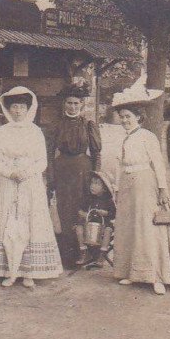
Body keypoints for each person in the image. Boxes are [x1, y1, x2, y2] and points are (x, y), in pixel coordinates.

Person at [0, 86, 63, 288]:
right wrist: (10, 173)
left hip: (30, 183)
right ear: (8, 109)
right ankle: (10, 271)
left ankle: (29, 272)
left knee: (30, 225)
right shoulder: (1, 132)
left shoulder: (36, 132)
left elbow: (42, 161)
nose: (17, 111)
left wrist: (25, 173)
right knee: (8, 224)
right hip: (7, 183)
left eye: (21, 107)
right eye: (14, 107)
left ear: (28, 109)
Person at [112, 89, 170, 295]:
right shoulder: (124, 138)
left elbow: (158, 164)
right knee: (129, 227)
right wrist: (116, 187)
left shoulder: (147, 136)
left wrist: (162, 188)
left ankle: (156, 277)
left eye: (128, 117)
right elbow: (120, 165)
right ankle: (132, 273)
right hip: (127, 184)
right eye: (122, 117)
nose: (124, 120)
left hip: (144, 183)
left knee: (146, 227)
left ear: (138, 117)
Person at [46, 83, 102, 266]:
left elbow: (96, 153)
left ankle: (86, 252)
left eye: (76, 103)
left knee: (83, 209)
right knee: (64, 211)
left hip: (83, 170)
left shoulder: (88, 125)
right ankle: (66, 255)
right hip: (63, 170)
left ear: (82, 105)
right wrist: (51, 176)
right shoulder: (57, 125)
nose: (72, 107)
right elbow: (49, 152)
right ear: (64, 104)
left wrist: (96, 177)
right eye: (69, 103)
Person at [73, 171, 116, 268]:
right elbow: (80, 210)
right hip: (89, 224)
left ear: (104, 188)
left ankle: (102, 255)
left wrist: (106, 213)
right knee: (79, 228)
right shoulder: (88, 198)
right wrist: (83, 213)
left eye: (97, 184)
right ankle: (83, 251)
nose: (92, 186)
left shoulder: (108, 201)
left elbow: (113, 214)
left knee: (108, 230)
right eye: (92, 183)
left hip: (103, 224)